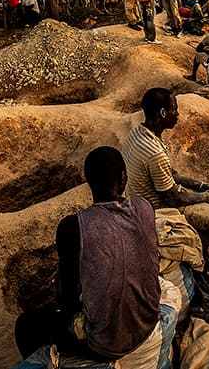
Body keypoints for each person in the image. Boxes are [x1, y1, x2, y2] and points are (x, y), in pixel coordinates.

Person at [14, 146, 161, 362]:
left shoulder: (72, 227)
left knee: (26, 325)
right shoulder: (145, 207)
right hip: (149, 322)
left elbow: (68, 298)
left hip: (106, 345)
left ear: (88, 180)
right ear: (123, 179)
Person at [121, 88, 209, 257]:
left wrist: (203, 186)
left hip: (142, 201)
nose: (177, 114)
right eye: (174, 109)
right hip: (160, 210)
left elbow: (170, 174)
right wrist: (208, 196)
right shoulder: (154, 153)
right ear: (163, 113)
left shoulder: (137, 134)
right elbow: (174, 198)